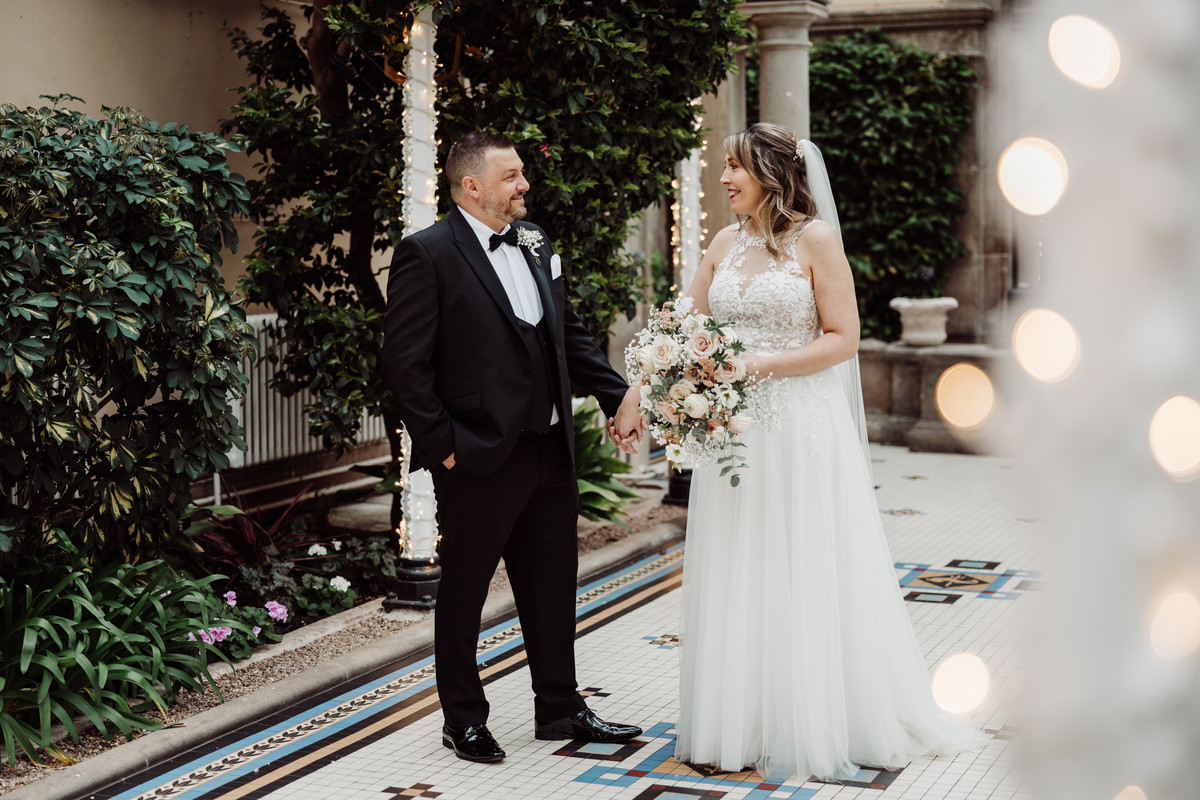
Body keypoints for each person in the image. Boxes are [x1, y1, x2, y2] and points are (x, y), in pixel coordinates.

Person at [612, 122, 986, 781]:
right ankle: (742, 717)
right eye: (725, 167)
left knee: (804, 563)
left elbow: (844, 338)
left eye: (736, 168)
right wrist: (639, 390)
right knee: (741, 565)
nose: (724, 179)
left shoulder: (815, 240)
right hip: (737, 434)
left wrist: (756, 365)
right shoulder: (725, 242)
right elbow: (680, 324)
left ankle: (816, 715)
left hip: (802, 431)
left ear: (772, 175)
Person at [383, 131, 645, 763]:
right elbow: (404, 367)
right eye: (511, 177)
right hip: (475, 456)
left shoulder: (536, 243)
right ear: (471, 186)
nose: (524, 185)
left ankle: (559, 708)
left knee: (553, 583)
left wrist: (618, 395)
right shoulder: (428, 254)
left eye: (522, 174)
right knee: (466, 590)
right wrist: (446, 449)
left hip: (550, 449)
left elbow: (567, 335)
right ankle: (463, 718)